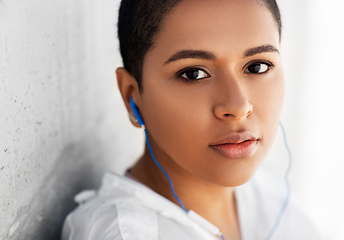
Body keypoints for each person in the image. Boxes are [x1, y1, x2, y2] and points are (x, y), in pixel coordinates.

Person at [61, 0, 319, 239]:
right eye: (194, 74)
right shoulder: (123, 233)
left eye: (257, 66)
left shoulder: (270, 193)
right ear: (132, 95)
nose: (238, 106)